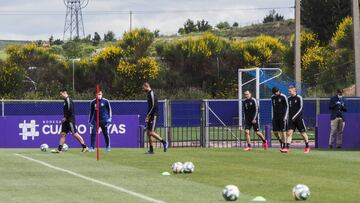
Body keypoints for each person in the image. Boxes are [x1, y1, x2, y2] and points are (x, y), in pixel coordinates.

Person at [52, 88, 88, 153]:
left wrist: (65, 118)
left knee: (75, 133)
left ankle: (85, 147)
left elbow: (70, 110)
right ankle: (59, 149)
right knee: (63, 134)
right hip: (66, 121)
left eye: (61, 94)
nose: (60, 96)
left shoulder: (68, 100)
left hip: (70, 120)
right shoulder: (65, 101)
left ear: (64, 92)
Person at [282, 86, 310, 154]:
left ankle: (307, 146)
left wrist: (295, 116)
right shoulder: (288, 99)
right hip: (291, 119)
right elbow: (288, 109)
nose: (289, 92)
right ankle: (286, 148)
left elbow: (301, 108)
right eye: (288, 91)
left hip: (299, 119)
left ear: (294, 91)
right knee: (289, 133)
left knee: (303, 133)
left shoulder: (299, 97)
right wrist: (285, 117)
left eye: (290, 91)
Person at [143, 82, 168, 154]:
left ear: (146, 86)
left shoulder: (151, 93)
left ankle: (164, 142)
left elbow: (154, 105)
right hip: (150, 115)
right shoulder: (148, 94)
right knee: (148, 132)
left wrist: (149, 115)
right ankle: (151, 150)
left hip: (154, 115)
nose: (143, 89)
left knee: (151, 132)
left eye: (143, 88)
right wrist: (148, 115)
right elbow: (150, 106)